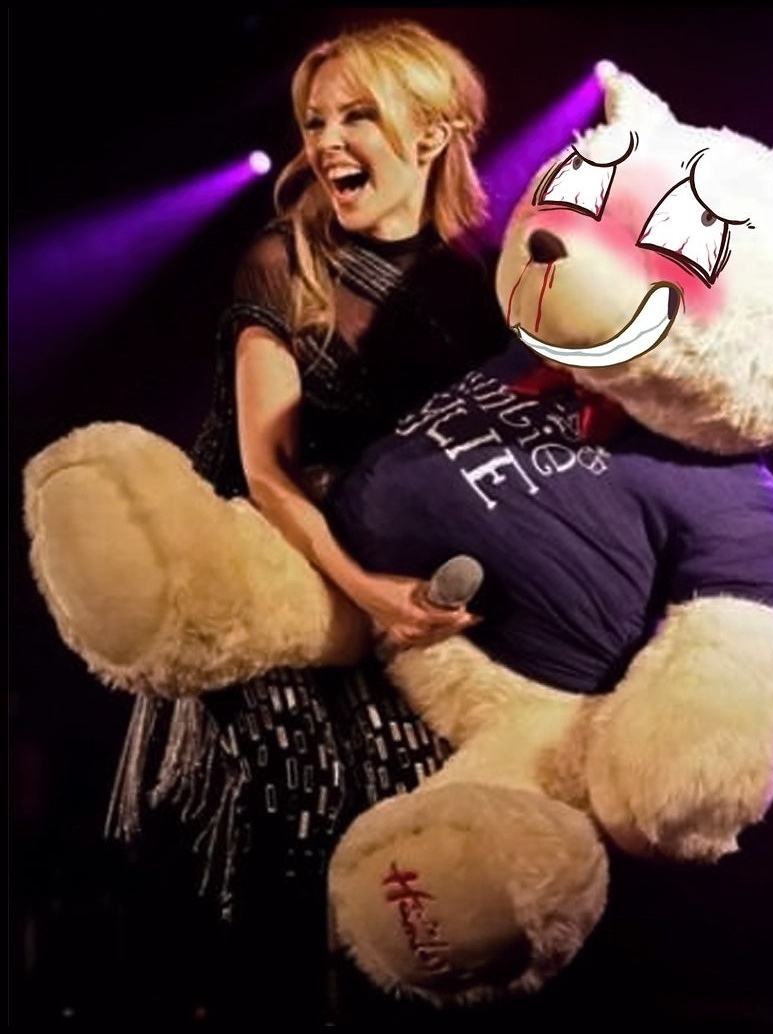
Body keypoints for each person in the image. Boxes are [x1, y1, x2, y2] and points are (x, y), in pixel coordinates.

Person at [107, 20, 507, 1025]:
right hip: (283, 603)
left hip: (404, 621)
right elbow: (264, 471)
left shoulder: (479, 287)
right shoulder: (281, 262)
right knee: (288, 851)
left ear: (432, 132)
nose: (327, 141)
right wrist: (365, 590)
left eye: (356, 116)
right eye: (316, 120)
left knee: (413, 880)